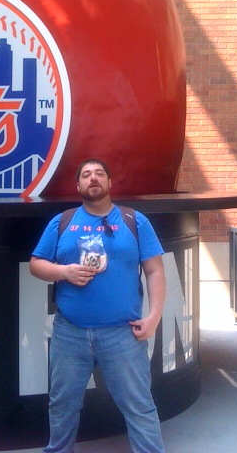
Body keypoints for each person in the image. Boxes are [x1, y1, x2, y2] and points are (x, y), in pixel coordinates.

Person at [29, 158, 166, 453]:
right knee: (62, 405)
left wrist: (154, 316)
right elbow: (36, 264)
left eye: (99, 174)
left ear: (109, 183)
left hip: (123, 334)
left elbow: (155, 270)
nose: (93, 178)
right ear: (78, 185)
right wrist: (64, 272)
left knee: (139, 406)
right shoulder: (62, 221)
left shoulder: (134, 220)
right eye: (86, 175)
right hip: (70, 333)